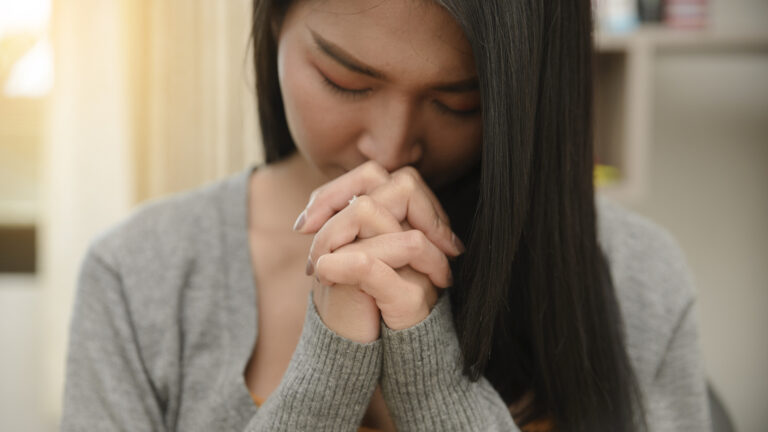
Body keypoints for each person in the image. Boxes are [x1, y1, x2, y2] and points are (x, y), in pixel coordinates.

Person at [61, 0, 712, 431]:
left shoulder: (635, 276)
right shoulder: (138, 276)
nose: (393, 147)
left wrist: (433, 381)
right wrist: (328, 371)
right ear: (272, 25)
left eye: (460, 102)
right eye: (347, 82)